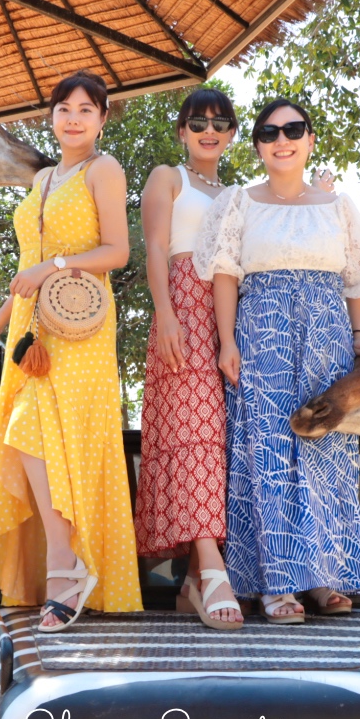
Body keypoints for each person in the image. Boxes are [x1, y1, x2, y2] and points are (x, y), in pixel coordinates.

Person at [192, 98, 360, 624]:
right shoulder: (240, 203)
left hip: (326, 335)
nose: (283, 139)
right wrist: (227, 341)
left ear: (310, 139)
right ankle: (277, 584)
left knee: (325, 452)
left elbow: (358, 279)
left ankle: (324, 576)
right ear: (257, 146)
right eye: (270, 132)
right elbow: (225, 274)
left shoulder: (337, 206)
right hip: (262, 334)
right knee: (269, 455)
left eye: (294, 129)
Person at [0, 70, 142, 632]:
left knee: (59, 437)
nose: (73, 117)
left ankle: (67, 567)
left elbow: (118, 251)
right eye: (64, 108)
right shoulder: (42, 179)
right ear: (52, 116)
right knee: (24, 430)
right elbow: (26, 266)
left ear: (102, 118)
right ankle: (62, 565)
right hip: (30, 326)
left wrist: (56, 266)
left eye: (86, 109)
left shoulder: (103, 169)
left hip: (81, 328)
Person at [134, 89, 243, 630]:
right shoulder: (167, 176)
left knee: (224, 442)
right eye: (197, 121)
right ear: (182, 131)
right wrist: (167, 313)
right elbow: (155, 246)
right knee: (193, 434)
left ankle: (194, 585)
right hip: (181, 305)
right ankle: (212, 567)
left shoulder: (235, 192)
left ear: (230, 135)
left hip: (231, 315)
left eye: (219, 123)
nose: (208, 129)